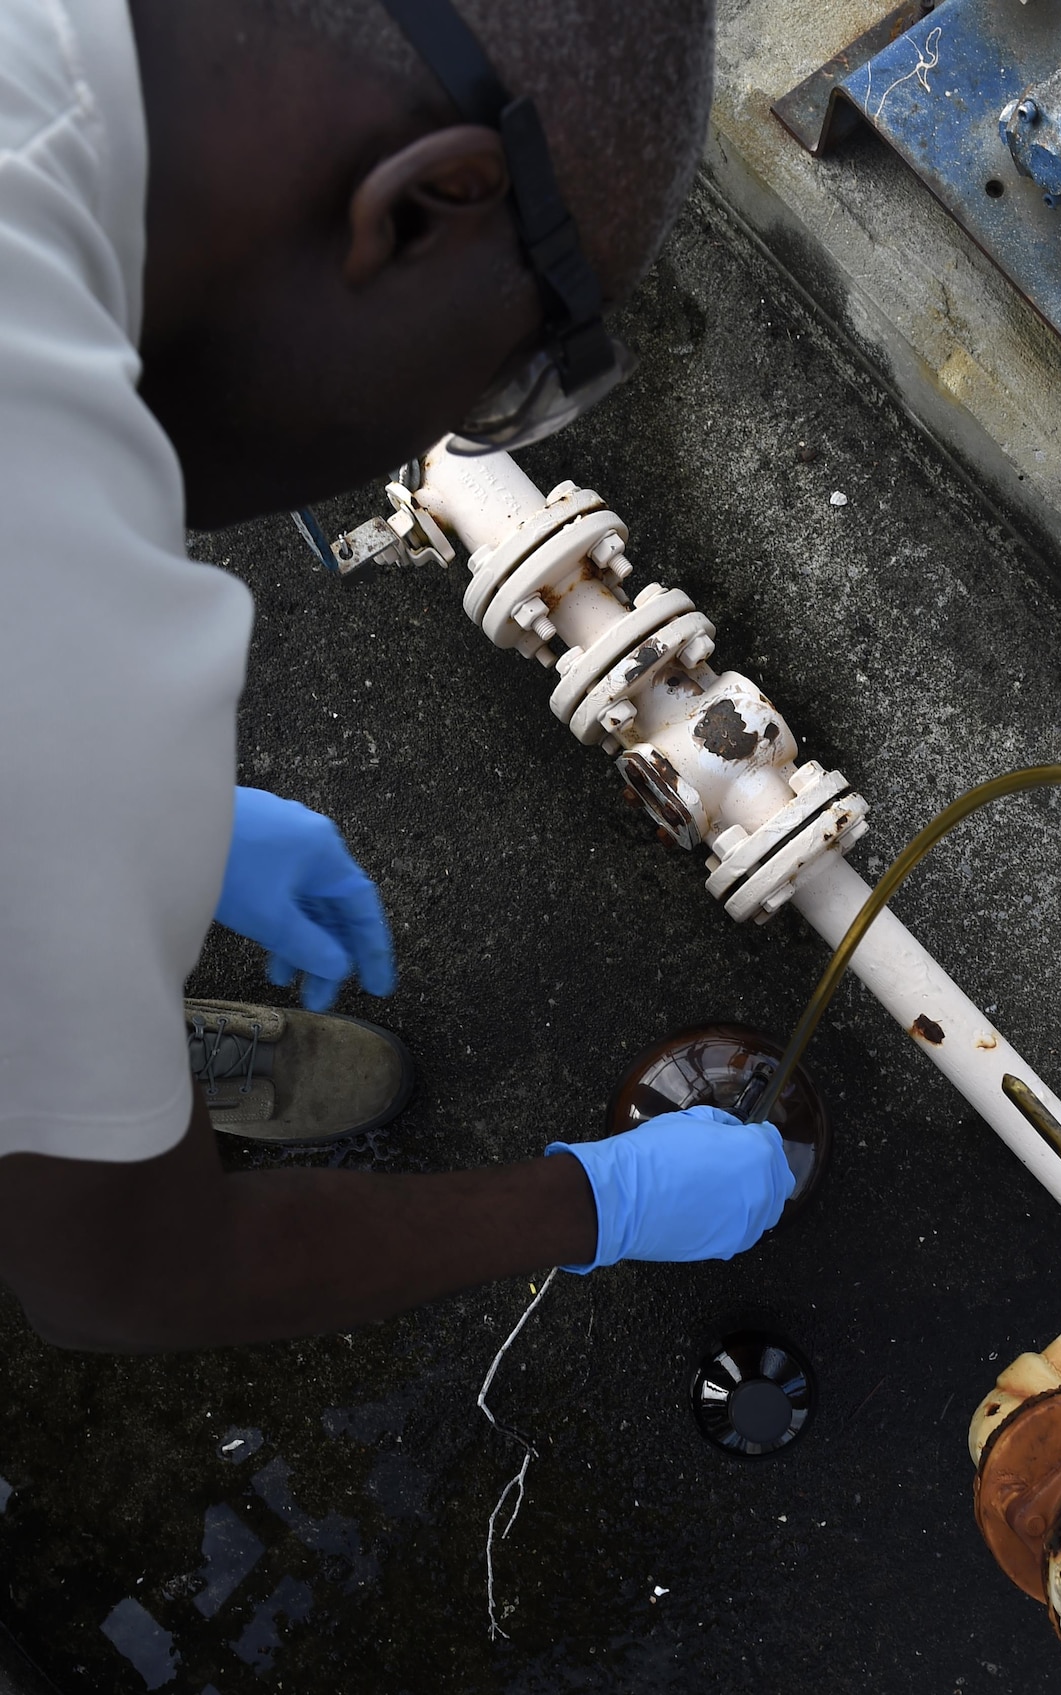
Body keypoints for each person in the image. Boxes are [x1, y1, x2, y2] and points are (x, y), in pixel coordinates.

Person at [0, 0, 794, 1353]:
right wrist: (588, 1205)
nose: (459, 435)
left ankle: (76, 1050)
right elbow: (132, 1281)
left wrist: (149, 853)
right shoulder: (58, 680)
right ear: (427, 207)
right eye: (495, 394)